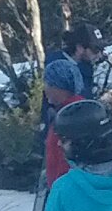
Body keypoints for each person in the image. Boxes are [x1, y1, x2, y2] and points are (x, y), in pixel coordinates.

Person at [41, 24, 107, 189]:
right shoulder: (56, 67)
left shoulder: (85, 68)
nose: (98, 55)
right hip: (63, 138)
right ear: (79, 48)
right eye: (95, 49)